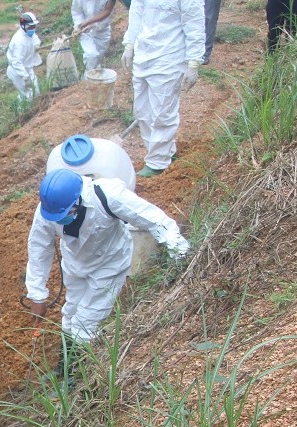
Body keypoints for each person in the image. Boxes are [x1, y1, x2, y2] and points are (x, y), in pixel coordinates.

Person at [25, 169, 189, 362]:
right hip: (75, 263)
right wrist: (37, 295)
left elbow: (152, 219)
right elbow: (39, 249)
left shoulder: (107, 195)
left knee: (86, 322)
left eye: (65, 214)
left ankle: (79, 374)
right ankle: (66, 362)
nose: (59, 220)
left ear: (77, 200)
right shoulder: (49, 210)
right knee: (70, 314)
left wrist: (180, 252)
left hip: (109, 263)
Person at [121, 0, 205, 177]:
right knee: (142, 110)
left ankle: (157, 163)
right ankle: (166, 151)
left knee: (162, 112)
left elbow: (194, 22)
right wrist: (130, 44)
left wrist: (194, 62)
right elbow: (136, 12)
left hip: (170, 57)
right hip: (144, 54)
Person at [6, 12, 42, 106]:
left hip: (28, 68)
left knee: (36, 92)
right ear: (23, 26)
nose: (32, 29)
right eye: (30, 27)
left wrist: (37, 44)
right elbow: (16, 62)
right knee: (27, 95)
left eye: (34, 26)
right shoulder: (19, 42)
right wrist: (25, 77)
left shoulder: (29, 33)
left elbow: (34, 37)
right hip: (18, 72)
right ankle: (22, 115)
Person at [72, 0, 116, 72]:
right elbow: (77, 12)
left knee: (98, 59)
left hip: (102, 32)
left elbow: (107, 12)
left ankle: (95, 78)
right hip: (84, 32)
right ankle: (88, 79)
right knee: (91, 55)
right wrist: (79, 25)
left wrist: (92, 25)